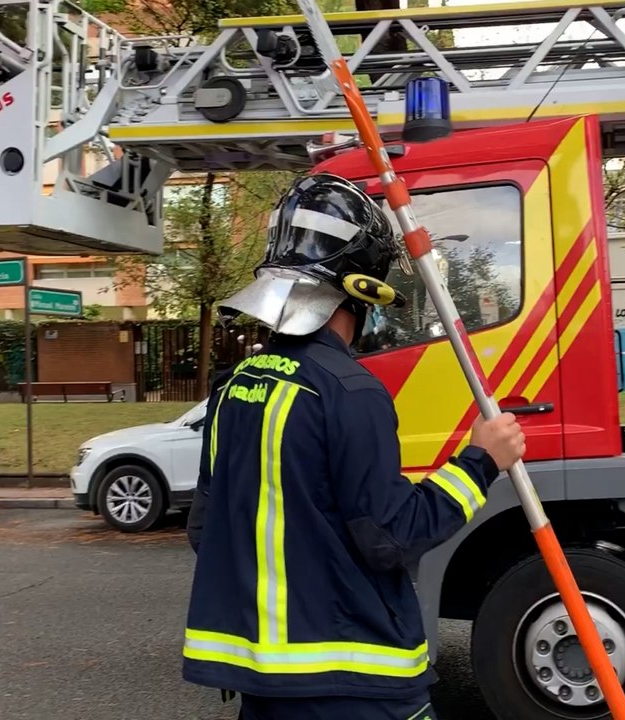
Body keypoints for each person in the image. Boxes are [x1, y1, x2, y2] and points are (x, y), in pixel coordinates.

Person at [182, 173, 526, 720]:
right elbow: (390, 537)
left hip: (262, 686)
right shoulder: (350, 391)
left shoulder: (235, 388)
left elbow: (206, 527)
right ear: (362, 290)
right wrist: (482, 460)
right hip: (354, 683)